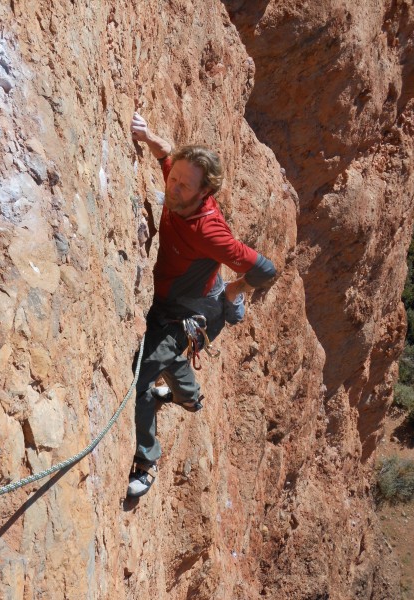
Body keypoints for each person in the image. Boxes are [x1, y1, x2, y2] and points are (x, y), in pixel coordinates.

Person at [127, 112, 276, 497]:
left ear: (203, 193)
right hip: (174, 298)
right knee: (165, 352)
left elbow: (266, 269)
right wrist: (147, 136)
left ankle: (147, 460)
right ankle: (187, 397)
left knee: (144, 375)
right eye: (172, 179)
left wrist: (234, 291)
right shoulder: (180, 182)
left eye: (183, 186)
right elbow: (165, 154)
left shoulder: (208, 230)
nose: (173, 188)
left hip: (192, 309)